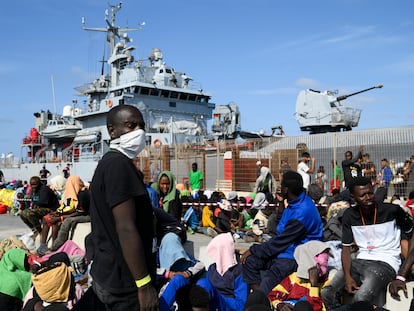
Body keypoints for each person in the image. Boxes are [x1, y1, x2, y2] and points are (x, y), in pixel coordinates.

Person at [87, 104, 158, 310]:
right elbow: (125, 227)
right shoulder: (119, 166)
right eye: (131, 125)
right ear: (112, 130)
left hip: (110, 274)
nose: (139, 132)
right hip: (126, 284)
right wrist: (144, 285)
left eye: (142, 126)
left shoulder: (109, 163)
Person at [321, 176, 414, 309]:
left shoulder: (391, 211)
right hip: (360, 261)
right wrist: (347, 276)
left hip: (386, 264)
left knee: (361, 298)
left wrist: (402, 275)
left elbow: (412, 234)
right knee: (327, 292)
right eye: (363, 195)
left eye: (370, 193)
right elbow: (346, 249)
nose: (368, 197)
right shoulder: (349, 215)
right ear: (353, 198)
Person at [241, 171, 324, 295]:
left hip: (293, 257)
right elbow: (281, 227)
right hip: (284, 250)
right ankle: (263, 298)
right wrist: (280, 202)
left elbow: (281, 242)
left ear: (286, 189)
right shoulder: (294, 203)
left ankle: (262, 298)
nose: (278, 187)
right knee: (249, 262)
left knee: (268, 280)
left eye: (281, 185)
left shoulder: (302, 212)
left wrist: (254, 249)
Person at [268, 240, 331, 311]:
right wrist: (279, 304)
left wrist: (314, 286)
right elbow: (273, 295)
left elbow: (317, 308)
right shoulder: (294, 278)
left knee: (303, 307)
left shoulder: (329, 283)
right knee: (257, 297)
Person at [196, 232, 249, 311]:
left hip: (228, 307)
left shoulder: (239, 272)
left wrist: (218, 295)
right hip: (210, 306)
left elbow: (240, 305)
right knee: (202, 283)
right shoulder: (212, 269)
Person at [20, 176, 60, 241]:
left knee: (29, 213)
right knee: (22, 214)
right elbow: (34, 201)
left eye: (35, 184)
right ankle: (34, 230)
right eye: (32, 185)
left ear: (39, 183)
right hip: (41, 208)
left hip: (51, 209)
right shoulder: (33, 190)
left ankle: (40, 231)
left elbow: (43, 202)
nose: (33, 186)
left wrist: (35, 206)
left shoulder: (44, 189)